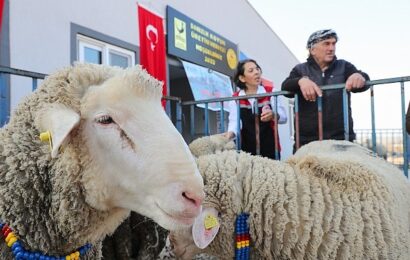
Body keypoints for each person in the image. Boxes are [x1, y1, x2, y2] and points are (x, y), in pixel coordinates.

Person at [281, 29, 370, 151]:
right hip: (307, 140)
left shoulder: (344, 66)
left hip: (340, 139)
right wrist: (300, 81)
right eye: (326, 44)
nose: (332, 48)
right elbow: (285, 86)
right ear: (312, 50)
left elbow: (364, 81)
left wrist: (359, 76)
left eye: (334, 44)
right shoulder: (300, 69)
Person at [225, 59, 287, 159]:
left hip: (270, 149)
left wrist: (273, 115)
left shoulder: (272, 92)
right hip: (245, 152)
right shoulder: (235, 99)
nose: (256, 72)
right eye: (251, 71)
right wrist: (230, 134)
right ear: (242, 78)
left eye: (257, 69)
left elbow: (284, 118)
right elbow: (234, 123)